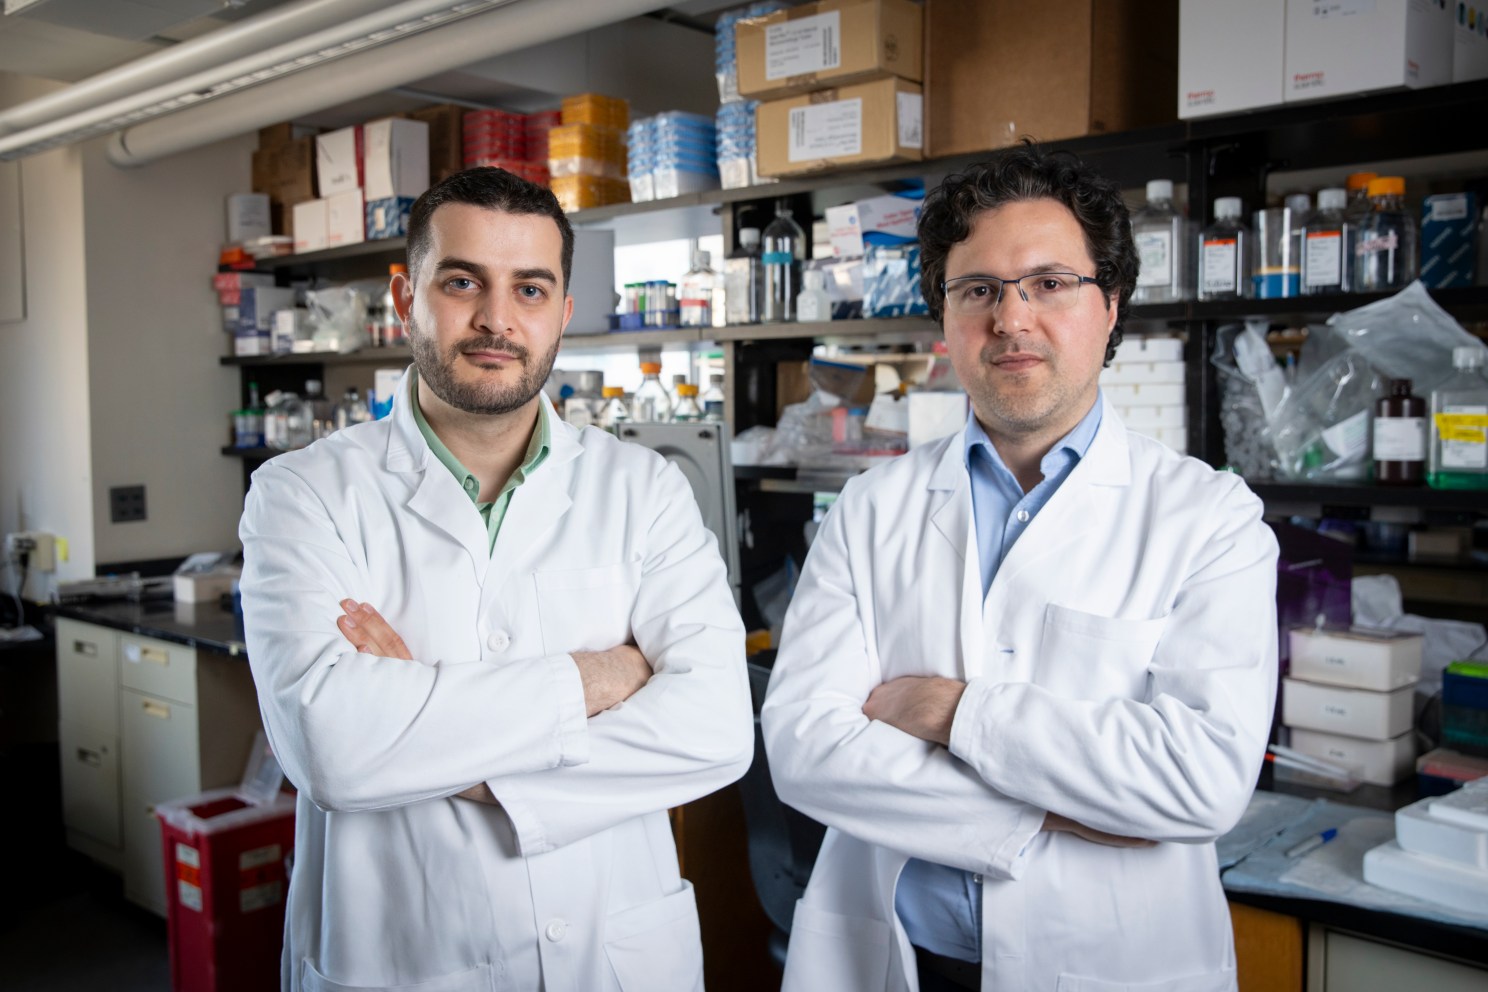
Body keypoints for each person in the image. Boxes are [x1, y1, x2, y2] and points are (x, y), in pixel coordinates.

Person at [760, 145, 1278, 992]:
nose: (1011, 318)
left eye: (1049, 283)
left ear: (1110, 307)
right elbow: (806, 748)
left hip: (1108, 963)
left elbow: (1201, 782)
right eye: (979, 291)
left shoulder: (1211, 520)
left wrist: (951, 711)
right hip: (899, 958)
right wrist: (1059, 807)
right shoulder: (870, 508)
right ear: (946, 319)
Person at [239, 167, 753, 992]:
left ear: (563, 314)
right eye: (462, 281)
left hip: (613, 957)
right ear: (406, 295)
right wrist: (603, 676)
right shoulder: (302, 496)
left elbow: (718, 728)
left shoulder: (643, 488)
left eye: (531, 289)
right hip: (402, 955)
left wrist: (432, 734)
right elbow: (331, 750)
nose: (496, 320)